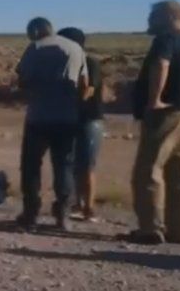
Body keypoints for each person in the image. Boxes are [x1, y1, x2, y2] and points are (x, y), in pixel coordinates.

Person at [123, 0, 180, 245]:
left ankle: (149, 228)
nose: (149, 20)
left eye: (153, 15)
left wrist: (155, 100)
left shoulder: (166, 39)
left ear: (168, 16)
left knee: (148, 171)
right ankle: (179, 230)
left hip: (167, 114)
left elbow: (162, 64)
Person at [15, 17, 88, 231]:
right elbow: (84, 85)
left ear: (36, 31)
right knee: (64, 166)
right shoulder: (75, 48)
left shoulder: (35, 47)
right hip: (67, 117)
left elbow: (22, 80)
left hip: (38, 116)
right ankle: (63, 215)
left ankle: (31, 214)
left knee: (31, 167)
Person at [58, 27, 104, 222]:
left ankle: (89, 208)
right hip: (71, 119)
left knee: (87, 165)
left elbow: (88, 91)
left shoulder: (90, 63)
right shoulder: (69, 63)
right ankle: (78, 203)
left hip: (88, 119)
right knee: (74, 164)